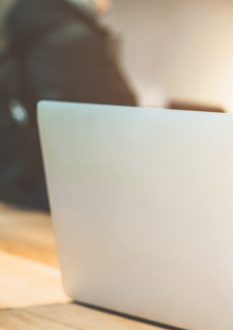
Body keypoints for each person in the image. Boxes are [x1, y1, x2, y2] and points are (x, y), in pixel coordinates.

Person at [0, 0, 135, 210]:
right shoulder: (76, 40)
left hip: (20, 184)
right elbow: (113, 120)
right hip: (61, 193)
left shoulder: (24, 32)